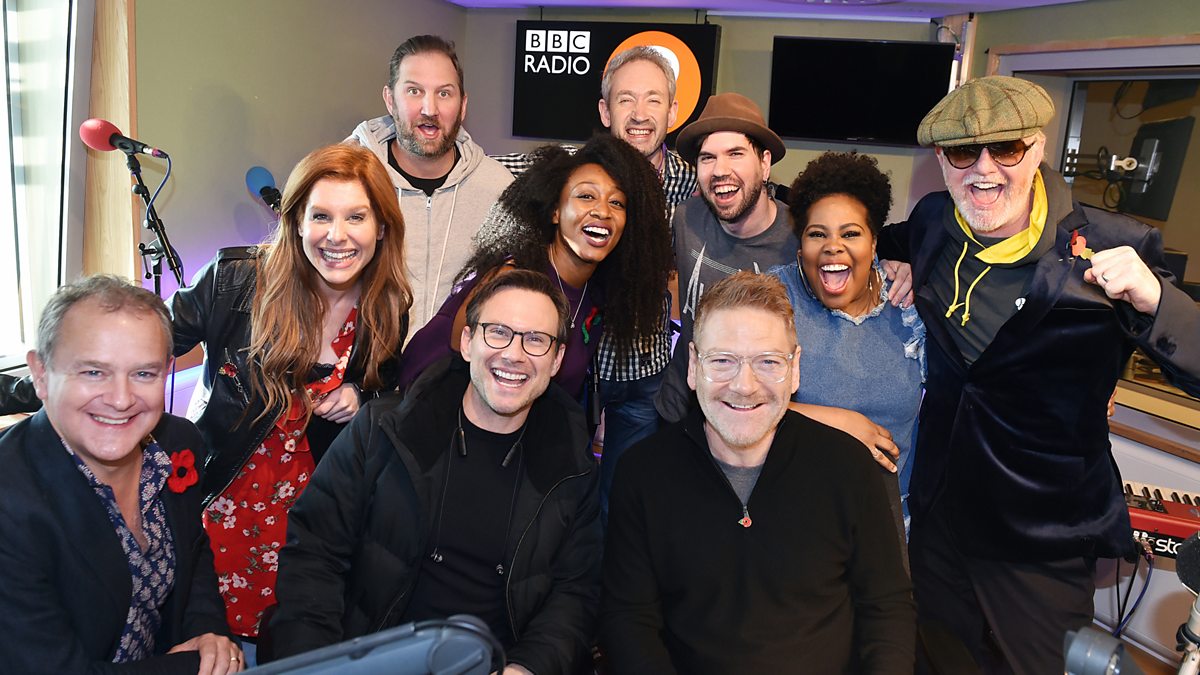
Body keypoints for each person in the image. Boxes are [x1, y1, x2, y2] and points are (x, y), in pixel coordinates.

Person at [876, 75, 1200, 673]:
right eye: (963, 153)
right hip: (941, 514)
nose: (984, 170)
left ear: (1038, 148)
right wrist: (888, 258)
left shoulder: (1114, 243)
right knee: (938, 659)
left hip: (1043, 535)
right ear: (942, 161)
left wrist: (1157, 301)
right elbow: (859, 236)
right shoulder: (932, 220)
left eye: (1006, 149)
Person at [269, 270, 602, 675]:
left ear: (557, 360)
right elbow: (313, 555)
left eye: (536, 340)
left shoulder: (573, 468)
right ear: (467, 341)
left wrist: (526, 667)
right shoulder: (382, 431)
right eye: (498, 332)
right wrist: (322, 667)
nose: (514, 354)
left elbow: (575, 594)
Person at [601, 271, 915, 674]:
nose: (745, 385)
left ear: (795, 368)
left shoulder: (849, 466)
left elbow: (886, 606)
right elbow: (629, 620)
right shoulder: (643, 474)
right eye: (723, 361)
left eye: (768, 362)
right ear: (693, 366)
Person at [169, 144, 411, 643]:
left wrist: (363, 399)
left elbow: (389, 396)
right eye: (321, 216)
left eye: (356, 217)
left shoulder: (388, 307)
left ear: (382, 227)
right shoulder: (236, 281)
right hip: (220, 515)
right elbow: (140, 344)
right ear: (296, 220)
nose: (337, 235)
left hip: (312, 533)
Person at [493, 46, 697, 521]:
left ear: (672, 111)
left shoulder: (690, 183)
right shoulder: (571, 169)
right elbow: (489, 169)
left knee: (623, 499)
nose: (640, 114)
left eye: (653, 99)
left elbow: (752, 199)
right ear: (605, 111)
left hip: (642, 366)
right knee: (555, 491)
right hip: (569, 363)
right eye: (626, 99)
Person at [0, 275, 240, 674]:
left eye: (144, 374)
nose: (121, 399)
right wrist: (193, 666)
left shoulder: (178, 442)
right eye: (93, 372)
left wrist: (208, 632)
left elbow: (193, 550)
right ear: (40, 374)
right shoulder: (10, 504)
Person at [654, 93, 905, 469]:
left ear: (765, 163)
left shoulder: (802, 242)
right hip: (679, 410)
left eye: (735, 154)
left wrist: (894, 267)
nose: (720, 170)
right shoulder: (687, 217)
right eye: (708, 158)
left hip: (754, 425)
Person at [399, 133, 672, 401]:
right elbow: (468, 377)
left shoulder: (596, 293)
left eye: (616, 202)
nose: (602, 211)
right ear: (555, 211)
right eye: (586, 196)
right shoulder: (513, 282)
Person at [770, 151, 925, 540]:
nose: (833, 246)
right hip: (792, 522)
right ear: (801, 248)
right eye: (817, 234)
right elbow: (726, 403)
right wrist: (837, 421)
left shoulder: (909, 304)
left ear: (874, 245)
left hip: (887, 527)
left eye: (850, 233)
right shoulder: (772, 300)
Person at [347, 34, 513, 337]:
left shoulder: (499, 191)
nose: (429, 109)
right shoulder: (344, 177)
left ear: (463, 105)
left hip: (458, 365)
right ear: (390, 99)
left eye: (444, 93)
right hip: (361, 363)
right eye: (414, 91)